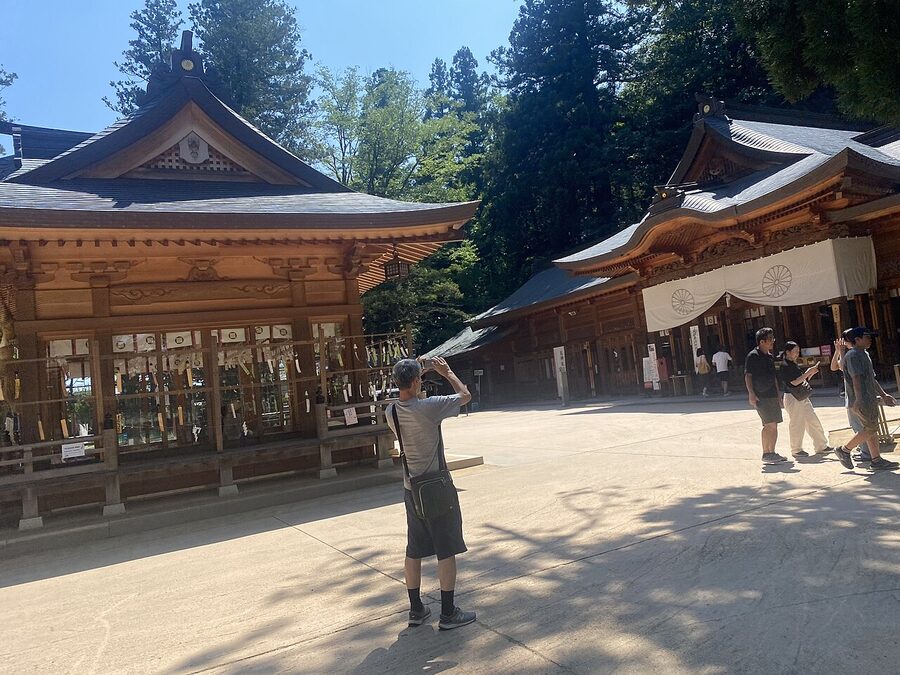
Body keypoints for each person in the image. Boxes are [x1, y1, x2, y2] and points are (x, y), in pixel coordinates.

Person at [386, 356, 476, 630]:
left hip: (411, 490)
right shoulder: (430, 407)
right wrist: (446, 371)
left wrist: (416, 372)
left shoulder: (391, 412)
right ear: (416, 382)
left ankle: (416, 609)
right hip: (436, 488)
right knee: (445, 549)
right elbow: (465, 395)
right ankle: (448, 613)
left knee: (414, 549)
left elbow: (409, 389)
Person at [831, 327, 899, 471]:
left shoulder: (864, 353)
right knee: (870, 428)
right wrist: (859, 399)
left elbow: (871, 378)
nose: (870, 339)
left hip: (868, 398)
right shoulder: (854, 355)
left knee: (872, 428)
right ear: (857, 340)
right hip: (861, 399)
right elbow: (856, 378)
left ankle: (876, 459)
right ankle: (844, 450)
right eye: (867, 337)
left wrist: (883, 394)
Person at [779, 341, 833, 458]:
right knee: (797, 424)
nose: (797, 354)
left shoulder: (793, 364)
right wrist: (807, 373)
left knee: (812, 420)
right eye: (795, 351)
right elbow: (793, 382)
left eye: (798, 351)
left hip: (801, 396)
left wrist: (810, 373)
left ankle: (821, 446)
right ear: (788, 352)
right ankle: (796, 449)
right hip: (792, 397)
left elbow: (801, 381)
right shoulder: (785, 366)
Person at [745, 328, 786, 464]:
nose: (772, 341)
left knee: (775, 424)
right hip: (760, 395)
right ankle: (766, 452)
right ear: (762, 341)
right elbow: (748, 376)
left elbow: (773, 376)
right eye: (770, 339)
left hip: (772, 394)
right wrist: (751, 393)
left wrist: (778, 395)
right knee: (769, 424)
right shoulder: (753, 356)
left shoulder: (769, 356)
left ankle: (772, 452)